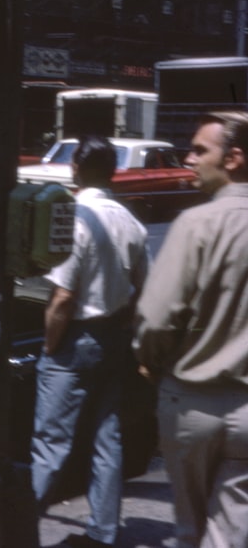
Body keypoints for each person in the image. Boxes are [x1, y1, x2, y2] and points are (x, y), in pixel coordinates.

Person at [132, 111, 248, 548]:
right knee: (232, 533)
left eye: (200, 150)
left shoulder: (195, 224)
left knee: (189, 529)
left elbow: (157, 318)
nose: (189, 159)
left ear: (234, 157)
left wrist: (150, 361)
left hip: (192, 402)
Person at [31, 135, 150, 548]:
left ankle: (21, 522)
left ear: (76, 170)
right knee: (107, 436)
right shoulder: (130, 222)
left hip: (74, 339)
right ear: (113, 172)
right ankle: (103, 530)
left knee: (51, 441)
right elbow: (142, 290)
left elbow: (62, 297)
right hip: (113, 336)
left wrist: (49, 347)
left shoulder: (74, 218)